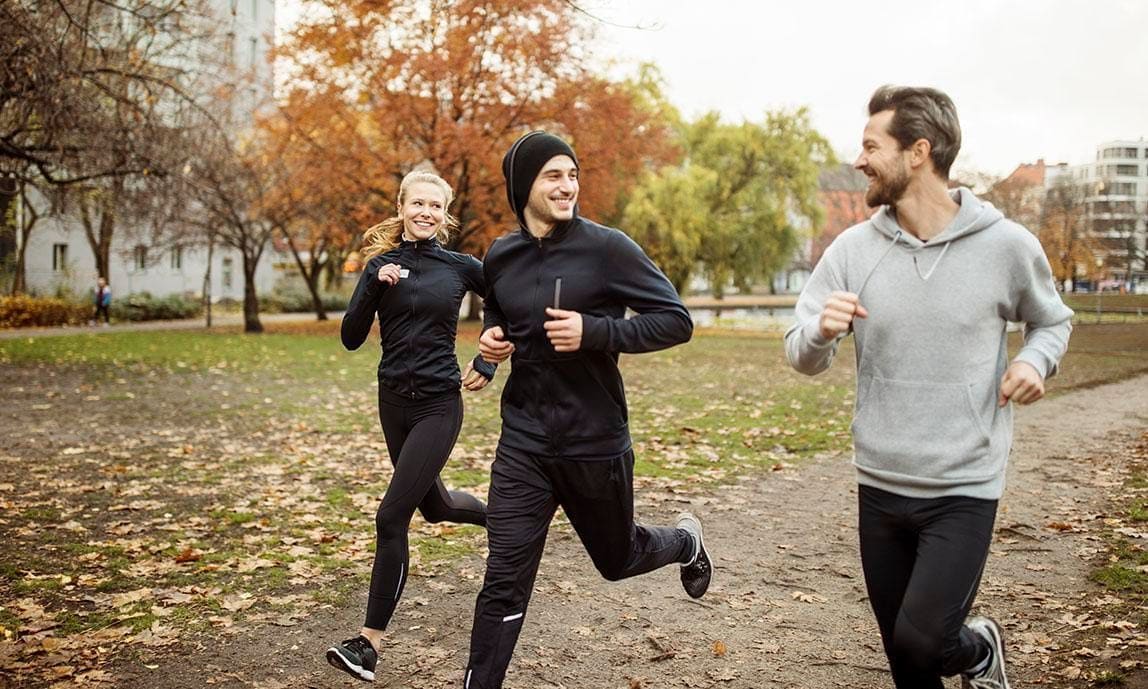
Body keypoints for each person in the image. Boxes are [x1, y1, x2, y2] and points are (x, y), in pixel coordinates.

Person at [785, 86, 1073, 689]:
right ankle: (967, 655)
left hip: (963, 485)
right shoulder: (853, 249)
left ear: (919, 151)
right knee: (905, 660)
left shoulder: (1006, 246)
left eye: (871, 146)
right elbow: (802, 355)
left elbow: (1052, 320)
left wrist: (1034, 362)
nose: (859, 160)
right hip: (880, 481)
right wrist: (819, 330)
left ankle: (976, 650)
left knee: (925, 640)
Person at [462, 131, 712, 689]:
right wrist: (491, 347)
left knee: (616, 559)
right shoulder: (501, 255)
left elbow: (676, 321)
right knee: (503, 578)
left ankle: (685, 541)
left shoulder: (607, 248)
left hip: (593, 441)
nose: (568, 185)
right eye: (553, 175)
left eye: (572, 174)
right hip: (523, 441)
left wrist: (596, 331)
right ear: (523, 184)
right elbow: (499, 315)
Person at [326, 170, 497, 682]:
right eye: (417, 203)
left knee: (390, 516)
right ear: (402, 208)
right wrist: (372, 289)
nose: (425, 212)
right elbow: (351, 337)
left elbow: (505, 304)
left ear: (445, 215)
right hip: (392, 403)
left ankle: (368, 645)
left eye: (435, 205)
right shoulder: (382, 265)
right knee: (436, 505)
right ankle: (506, 523)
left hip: (439, 405)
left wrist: (488, 359)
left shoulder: (463, 267)